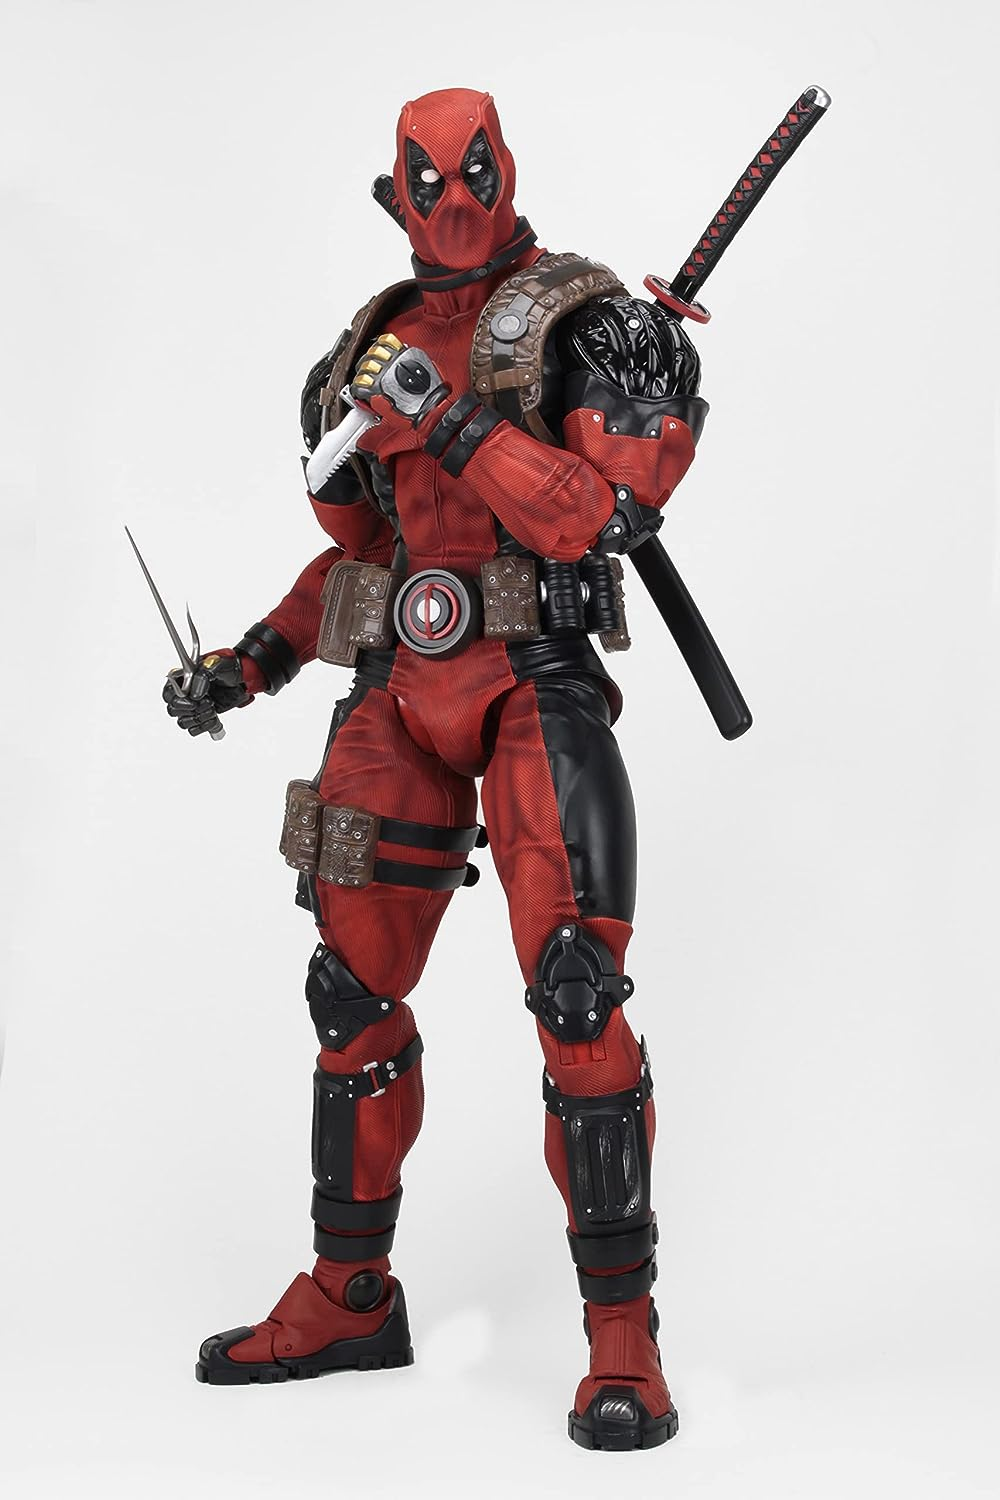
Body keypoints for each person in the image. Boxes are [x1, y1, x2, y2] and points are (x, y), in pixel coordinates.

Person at [168, 86, 706, 1451]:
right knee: (348, 989)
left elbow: (599, 517)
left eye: (473, 172)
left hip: (534, 684)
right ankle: (351, 1295)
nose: (453, 200)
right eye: (427, 178)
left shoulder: (587, 323)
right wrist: (246, 663)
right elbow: (361, 556)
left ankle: (624, 1339)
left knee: (578, 992)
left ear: (504, 168)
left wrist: (452, 422)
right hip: (399, 689)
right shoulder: (366, 344)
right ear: (393, 189)